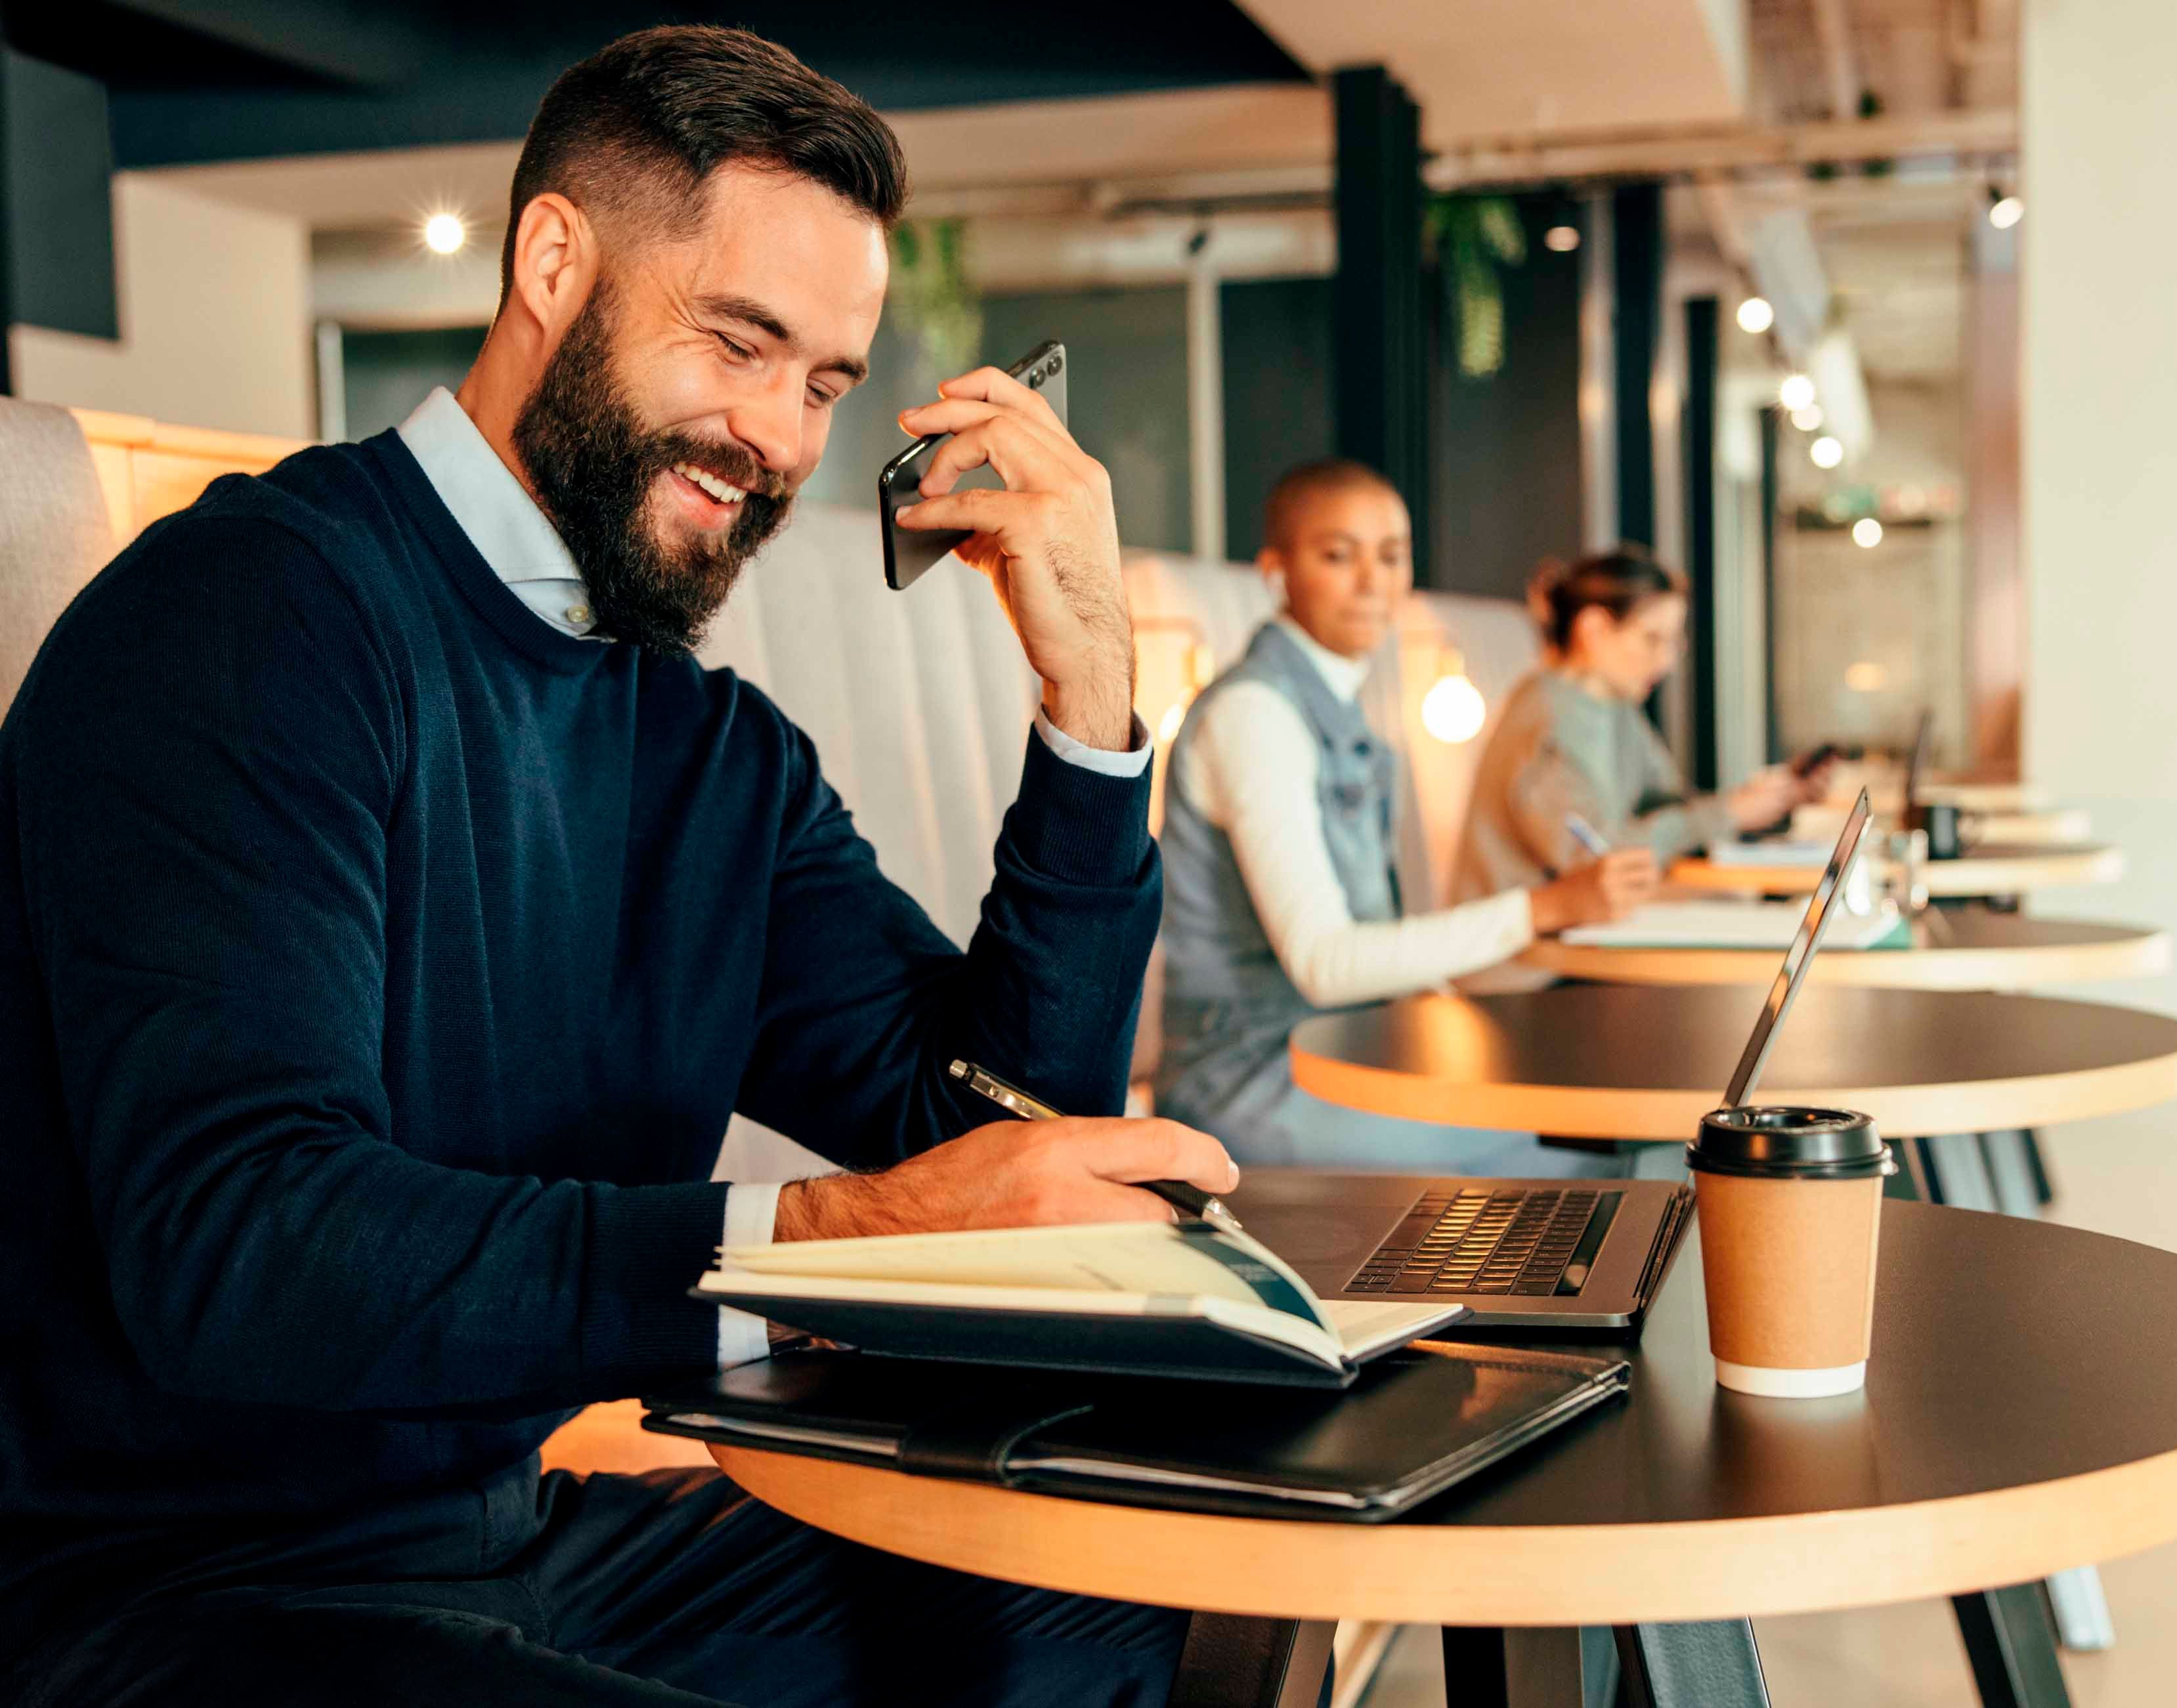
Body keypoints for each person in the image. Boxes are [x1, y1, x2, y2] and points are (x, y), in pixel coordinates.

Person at [0, 27, 1232, 1708]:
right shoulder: (249, 615)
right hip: (169, 1596)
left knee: (1147, 1594)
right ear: (552, 263)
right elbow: (244, 1243)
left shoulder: (711, 753)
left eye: (823, 385)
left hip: (504, 1538)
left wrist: (1089, 695)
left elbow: (993, 1123)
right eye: (738, 342)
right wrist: (809, 1241)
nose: (779, 437)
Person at [1154, 459, 1656, 1172]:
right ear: (1275, 571)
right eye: (1339, 556)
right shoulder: (1254, 714)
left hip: (1350, 1049)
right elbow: (1324, 964)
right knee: (1600, 1147)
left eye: (1391, 557)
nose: (1373, 583)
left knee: (1603, 1102)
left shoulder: (1337, 703)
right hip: (1252, 1081)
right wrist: (1543, 908)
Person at [1452, 544, 1829, 907]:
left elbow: (1664, 804)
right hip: (1526, 946)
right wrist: (1724, 814)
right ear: (1594, 630)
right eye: (1652, 639)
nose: (1667, 663)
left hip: (1586, 927)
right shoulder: (1546, 724)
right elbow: (1597, 862)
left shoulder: (1616, 707)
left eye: (1673, 643)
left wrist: (1765, 803)